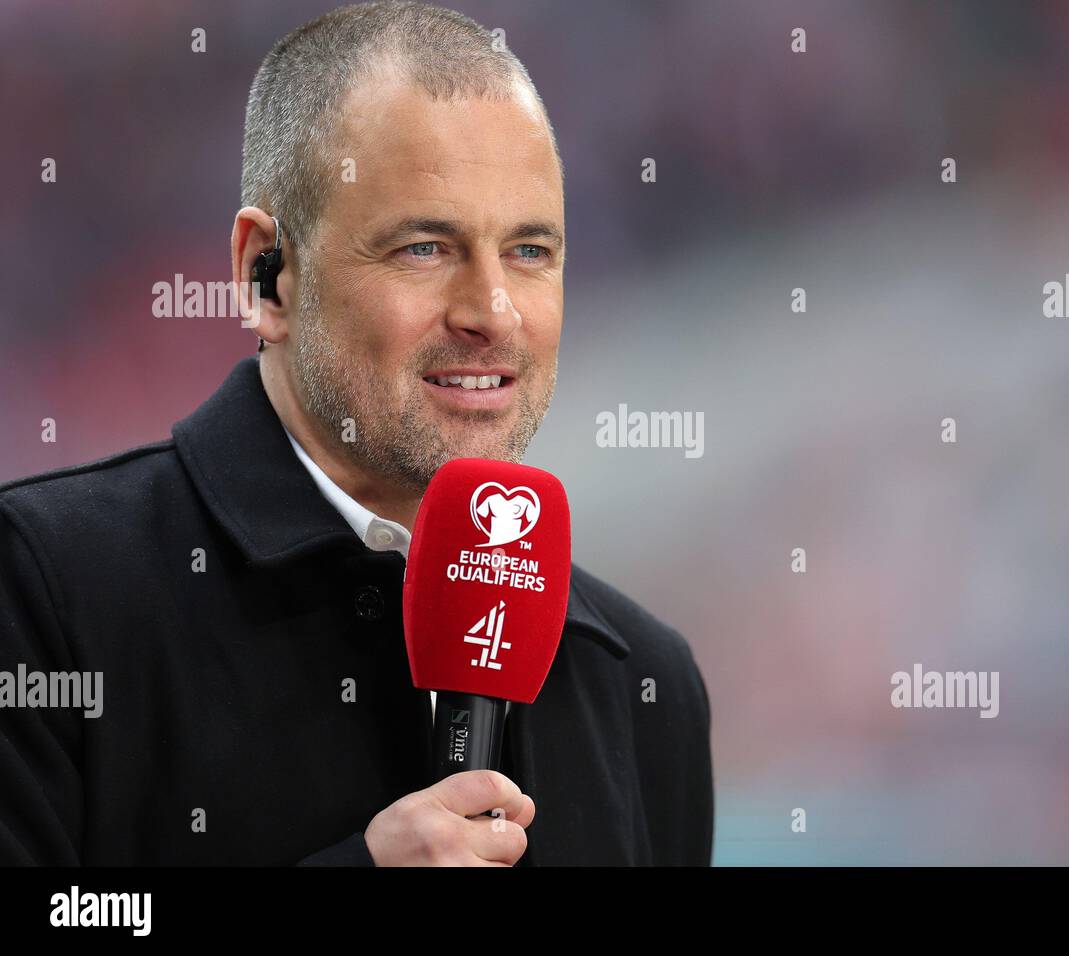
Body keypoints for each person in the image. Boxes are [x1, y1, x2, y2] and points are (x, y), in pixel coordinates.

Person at [0, 2, 713, 866]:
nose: (492, 312)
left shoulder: (645, 681)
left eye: (530, 251)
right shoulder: (41, 588)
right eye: (424, 247)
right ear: (267, 276)